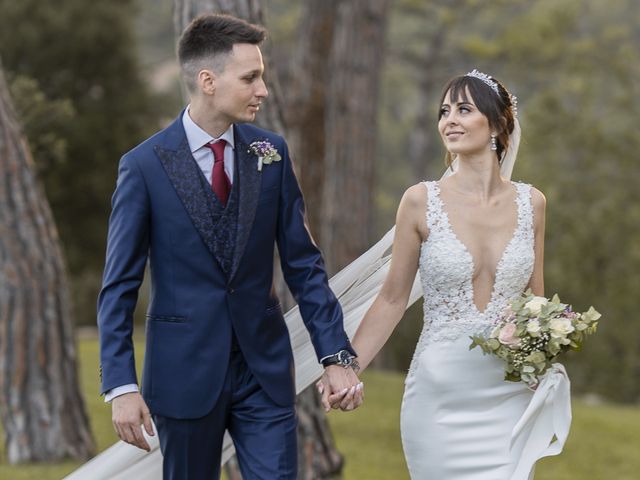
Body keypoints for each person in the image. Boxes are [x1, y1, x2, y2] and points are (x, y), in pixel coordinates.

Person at [96, 13, 362, 480]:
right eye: (251, 78)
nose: (263, 90)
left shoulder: (271, 153)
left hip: (262, 372)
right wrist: (120, 384)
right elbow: (118, 287)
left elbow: (304, 266)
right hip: (183, 372)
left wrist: (336, 358)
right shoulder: (143, 167)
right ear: (208, 81)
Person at [319, 70, 571, 479]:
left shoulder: (532, 203)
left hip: (509, 396)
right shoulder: (419, 201)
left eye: (464, 109)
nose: (449, 120)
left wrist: (544, 357)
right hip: (438, 397)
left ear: (498, 124)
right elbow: (391, 299)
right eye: (444, 111)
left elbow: (534, 303)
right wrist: (348, 368)